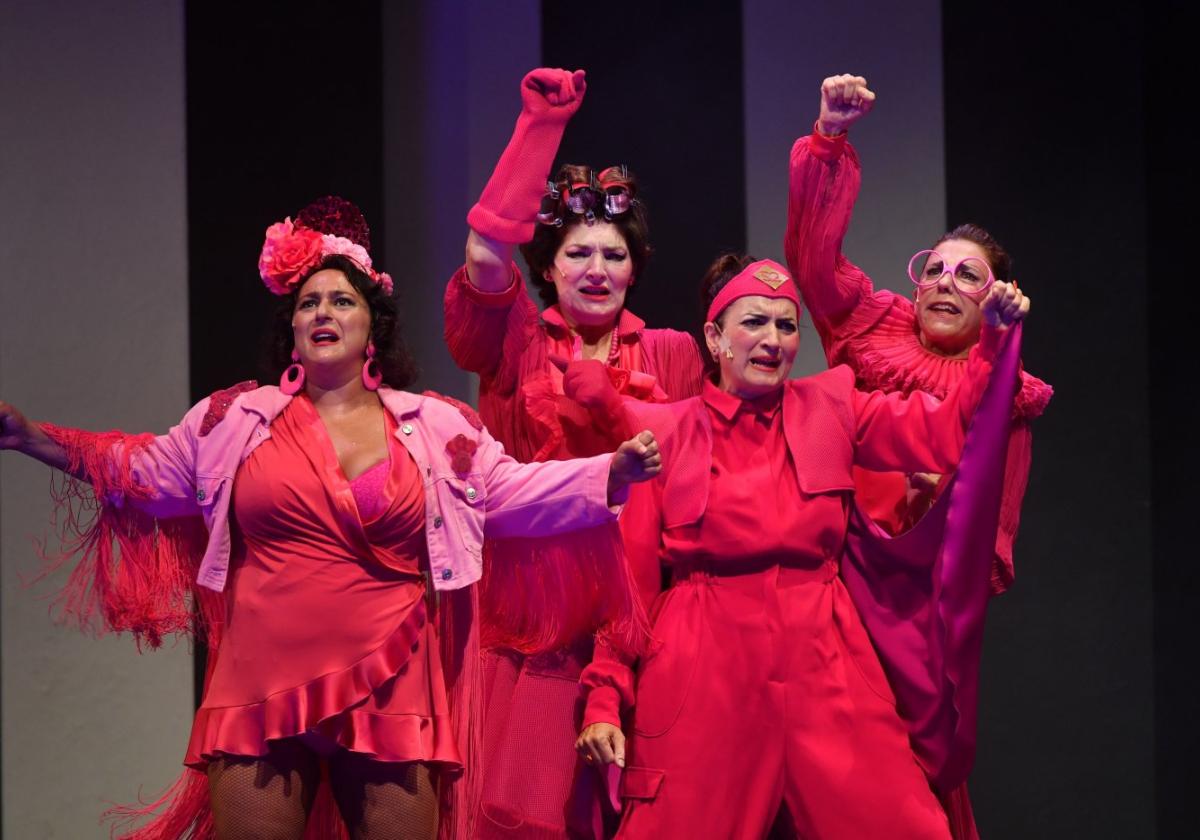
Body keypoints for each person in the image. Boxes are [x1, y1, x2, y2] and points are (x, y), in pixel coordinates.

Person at [0, 196, 663, 840]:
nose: (324, 311)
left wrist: (612, 473)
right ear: (290, 326)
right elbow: (142, 470)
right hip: (259, 682)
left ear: (372, 324)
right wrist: (32, 436)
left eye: (342, 300)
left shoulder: (433, 427)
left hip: (394, 678)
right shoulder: (236, 421)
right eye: (309, 302)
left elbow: (512, 492)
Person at [574, 254, 1029, 838]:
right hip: (702, 666)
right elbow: (628, 589)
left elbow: (941, 434)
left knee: (907, 825)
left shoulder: (833, 406)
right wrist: (605, 699)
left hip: (825, 654)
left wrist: (991, 343)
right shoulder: (665, 431)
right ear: (714, 339)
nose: (773, 340)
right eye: (754, 322)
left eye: (786, 325)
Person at [784, 74, 1053, 838]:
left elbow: (988, 545)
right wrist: (828, 139)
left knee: (909, 776)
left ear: (993, 300)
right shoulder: (869, 329)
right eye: (934, 266)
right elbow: (811, 259)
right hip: (833, 586)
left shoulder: (1008, 397)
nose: (943, 280)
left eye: (967, 274)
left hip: (916, 614)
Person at [444, 68, 704, 837]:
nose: (597, 269)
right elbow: (487, 253)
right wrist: (540, 125)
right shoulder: (516, 337)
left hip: (637, 600)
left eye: (615, 255)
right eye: (579, 253)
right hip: (534, 606)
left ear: (636, 267)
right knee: (524, 811)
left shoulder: (674, 352)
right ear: (549, 265)